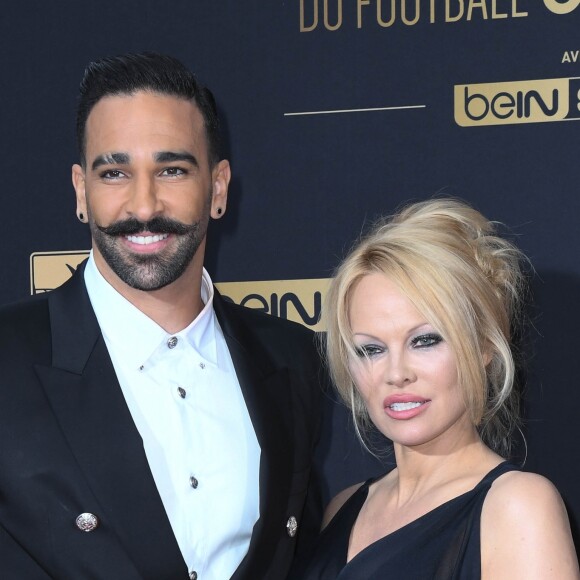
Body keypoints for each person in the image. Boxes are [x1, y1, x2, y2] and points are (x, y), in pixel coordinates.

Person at [0, 52, 323, 580]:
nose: (144, 205)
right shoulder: (8, 360)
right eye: (115, 172)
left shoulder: (291, 358)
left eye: (171, 169)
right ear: (81, 191)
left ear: (218, 189)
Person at [294, 199, 580, 579]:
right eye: (371, 349)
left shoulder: (518, 506)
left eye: (425, 341)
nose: (396, 374)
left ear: (483, 348)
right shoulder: (342, 508)